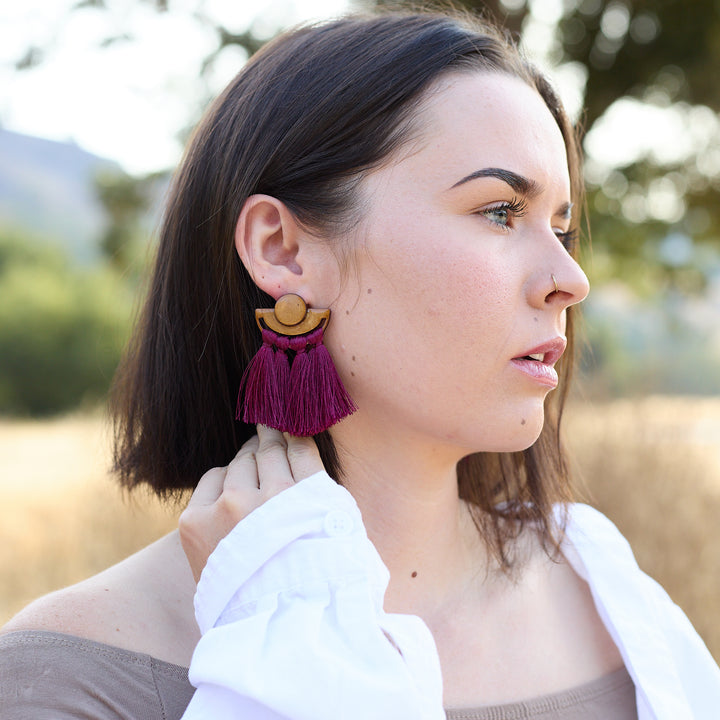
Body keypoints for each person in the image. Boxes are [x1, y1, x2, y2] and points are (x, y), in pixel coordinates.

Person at [1, 8, 718, 720]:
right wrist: (292, 655)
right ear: (283, 250)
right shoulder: (66, 684)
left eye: (560, 226)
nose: (571, 279)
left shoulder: (614, 603)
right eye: (500, 211)